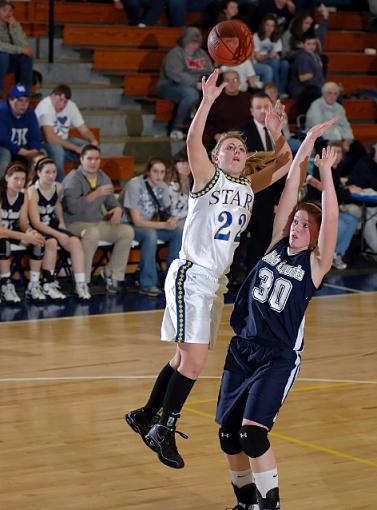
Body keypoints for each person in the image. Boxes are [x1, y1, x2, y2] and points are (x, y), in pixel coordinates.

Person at [124, 68, 292, 470]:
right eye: (228, 148)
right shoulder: (208, 179)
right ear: (216, 157)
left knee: (184, 358)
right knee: (195, 360)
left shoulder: (248, 187)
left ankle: (147, 413)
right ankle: (163, 426)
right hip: (191, 274)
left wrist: (275, 128)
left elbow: (285, 162)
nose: (235, 152)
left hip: (213, 282)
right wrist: (207, 100)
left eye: (239, 149)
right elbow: (191, 140)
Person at [216, 121, 338, 510]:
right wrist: (302, 144)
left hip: (277, 357)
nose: (298, 226)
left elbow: (331, 219)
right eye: (296, 222)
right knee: (229, 437)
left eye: (305, 225)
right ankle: (244, 501)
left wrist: (328, 174)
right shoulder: (274, 244)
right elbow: (290, 188)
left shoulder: (315, 266)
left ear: (315, 236)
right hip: (242, 348)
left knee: (253, 436)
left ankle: (270, 506)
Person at [62, 144, 134, 293]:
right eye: (89, 159)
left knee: (126, 231)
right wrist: (95, 194)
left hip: (96, 223)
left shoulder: (103, 177)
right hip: (73, 223)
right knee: (92, 233)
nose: (93, 162)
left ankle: (111, 274)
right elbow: (72, 208)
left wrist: (117, 210)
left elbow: (111, 203)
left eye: (96, 159)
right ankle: (83, 282)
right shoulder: (73, 179)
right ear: (81, 160)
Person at [27, 157, 91, 300]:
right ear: (38, 173)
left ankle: (80, 284)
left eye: (54, 172)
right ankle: (47, 284)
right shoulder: (32, 191)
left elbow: (56, 204)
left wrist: (61, 222)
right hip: (37, 227)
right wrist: (58, 234)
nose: (51, 175)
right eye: (47, 172)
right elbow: (36, 223)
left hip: (51, 225)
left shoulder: (58, 187)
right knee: (52, 242)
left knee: (75, 242)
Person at [121, 158, 184, 297]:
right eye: (155, 171)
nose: (159, 175)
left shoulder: (163, 187)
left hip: (150, 225)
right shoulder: (135, 185)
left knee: (178, 231)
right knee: (150, 235)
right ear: (148, 172)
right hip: (128, 226)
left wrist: (171, 221)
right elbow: (137, 221)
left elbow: (166, 214)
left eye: (162, 172)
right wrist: (163, 225)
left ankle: (172, 279)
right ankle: (147, 283)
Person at [306, 141, 360, 270]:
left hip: (330, 208)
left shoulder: (337, 169)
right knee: (339, 224)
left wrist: (346, 188)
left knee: (352, 220)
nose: (337, 154)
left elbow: (334, 190)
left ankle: (337, 253)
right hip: (317, 208)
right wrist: (347, 191)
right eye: (333, 151)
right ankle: (326, 253)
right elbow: (328, 191)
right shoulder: (321, 168)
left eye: (339, 152)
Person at [156, 26, 214, 141]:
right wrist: (194, 83)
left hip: (197, 85)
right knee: (191, 94)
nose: (194, 46)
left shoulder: (201, 53)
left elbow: (210, 70)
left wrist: (209, 81)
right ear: (184, 41)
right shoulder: (176, 53)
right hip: (170, 84)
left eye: (197, 43)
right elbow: (175, 74)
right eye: (191, 43)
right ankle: (176, 128)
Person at [0, 161, 46, 302]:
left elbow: (22, 222)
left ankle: (33, 284)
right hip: (2, 234)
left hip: (10, 232)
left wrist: (31, 232)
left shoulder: (24, 194)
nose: (20, 183)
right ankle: (5, 285)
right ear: (7, 177)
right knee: (4, 244)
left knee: (37, 242)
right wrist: (24, 235)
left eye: (22, 179)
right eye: (16, 179)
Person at [35, 84, 99, 182]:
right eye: (60, 100)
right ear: (52, 96)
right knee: (58, 151)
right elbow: (50, 137)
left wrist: (93, 140)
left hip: (64, 140)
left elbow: (84, 130)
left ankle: (88, 182)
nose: (62, 105)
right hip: (44, 142)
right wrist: (75, 148)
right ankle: (60, 187)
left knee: (89, 149)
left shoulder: (71, 106)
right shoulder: (45, 106)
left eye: (65, 101)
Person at [305, 81, 367, 176]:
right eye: (329, 93)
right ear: (323, 93)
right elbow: (319, 127)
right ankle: (332, 175)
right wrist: (339, 142)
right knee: (329, 148)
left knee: (357, 147)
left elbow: (346, 126)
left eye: (335, 94)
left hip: (341, 140)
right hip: (323, 139)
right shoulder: (316, 105)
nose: (332, 96)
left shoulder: (339, 108)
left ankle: (353, 176)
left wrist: (347, 140)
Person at [0, 83, 41, 177]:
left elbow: (35, 137)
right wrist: (24, 152)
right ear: (10, 100)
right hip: (6, 148)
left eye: (26, 101)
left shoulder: (30, 113)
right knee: (4, 155)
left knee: (41, 157)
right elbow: (3, 139)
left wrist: (34, 151)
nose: (24, 104)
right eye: (20, 100)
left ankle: (32, 188)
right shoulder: (2, 111)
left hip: (24, 148)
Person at [203, 70, 252, 149]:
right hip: (221, 142)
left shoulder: (249, 98)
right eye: (227, 80)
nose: (231, 83)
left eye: (235, 80)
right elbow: (205, 121)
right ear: (222, 83)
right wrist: (215, 135)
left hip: (246, 141)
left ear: (240, 82)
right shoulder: (215, 100)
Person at [0, 0, 33, 97]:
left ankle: (24, 92)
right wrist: (19, 49)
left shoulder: (15, 25)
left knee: (26, 56)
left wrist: (13, 28)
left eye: (10, 11)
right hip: (2, 60)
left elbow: (25, 45)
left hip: (8, 64)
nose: (8, 13)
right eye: (4, 10)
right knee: (3, 55)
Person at [253, 14, 290, 97]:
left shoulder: (276, 37)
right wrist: (268, 56)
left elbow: (278, 54)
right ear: (263, 26)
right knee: (274, 63)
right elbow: (258, 58)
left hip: (273, 61)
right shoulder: (256, 36)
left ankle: (282, 90)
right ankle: (277, 90)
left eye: (272, 26)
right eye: (267, 25)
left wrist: (277, 56)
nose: (270, 28)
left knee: (285, 64)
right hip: (260, 62)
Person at [288, 33, 324, 115]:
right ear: (302, 44)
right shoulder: (303, 57)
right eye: (308, 44)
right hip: (302, 89)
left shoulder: (315, 56)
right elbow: (306, 79)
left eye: (314, 44)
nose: (311, 46)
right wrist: (322, 87)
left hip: (313, 88)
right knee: (318, 92)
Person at [165, 148, 192, 226]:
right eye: (183, 163)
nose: (186, 166)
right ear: (175, 166)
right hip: (176, 220)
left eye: (188, 163)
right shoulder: (172, 186)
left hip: (190, 217)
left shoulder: (194, 183)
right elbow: (174, 213)